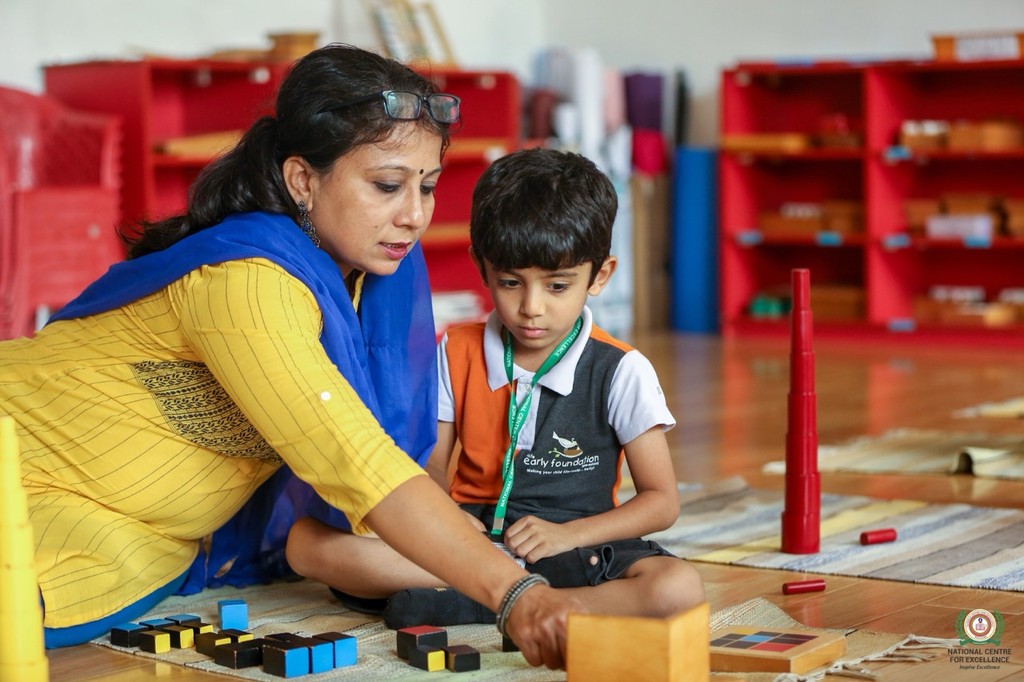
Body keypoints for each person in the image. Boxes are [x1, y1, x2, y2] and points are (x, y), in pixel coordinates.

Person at [0, 43, 579, 668]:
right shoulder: (248, 282)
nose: (413, 216)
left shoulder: (363, 273)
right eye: (387, 185)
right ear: (303, 179)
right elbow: (353, 457)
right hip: (23, 464)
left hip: (142, 532)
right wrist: (513, 590)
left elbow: (386, 453)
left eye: (428, 187)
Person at [285, 147, 705, 629]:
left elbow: (661, 501)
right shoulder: (454, 351)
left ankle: (503, 604)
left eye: (557, 286)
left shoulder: (622, 369)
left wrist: (567, 536)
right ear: (481, 267)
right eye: (510, 282)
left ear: (600, 275)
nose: (531, 308)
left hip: (575, 550)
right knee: (304, 544)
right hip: (471, 546)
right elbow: (433, 462)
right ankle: (504, 595)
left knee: (679, 587)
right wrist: (448, 518)